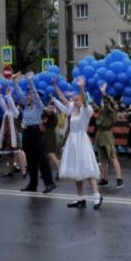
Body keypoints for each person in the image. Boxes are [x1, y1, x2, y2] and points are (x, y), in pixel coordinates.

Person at [52, 77, 103, 210]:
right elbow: (63, 98)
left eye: (77, 100)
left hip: (81, 140)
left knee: (87, 168)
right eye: (74, 100)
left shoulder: (87, 110)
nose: (74, 102)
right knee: (76, 169)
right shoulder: (72, 110)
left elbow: (85, 102)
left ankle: (97, 195)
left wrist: (82, 87)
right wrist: (55, 85)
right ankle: (80, 197)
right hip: (72, 141)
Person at [14, 72, 56, 194]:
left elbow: (36, 96)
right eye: (28, 94)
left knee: (42, 159)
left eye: (30, 94)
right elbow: (20, 94)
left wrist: (30, 81)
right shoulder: (26, 106)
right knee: (30, 160)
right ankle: (33, 184)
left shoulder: (39, 105)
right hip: (27, 133)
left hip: (36, 132)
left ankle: (50, 183)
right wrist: (15, 82)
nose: (28, 96)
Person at [95, 84, 124, 189]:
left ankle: (119, 179)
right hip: (100, 134)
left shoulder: (110, 111)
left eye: (104, 101)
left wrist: (104, 93)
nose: (102, 102)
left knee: (112, 157)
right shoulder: (101, 111)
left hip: (107, 134)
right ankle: (104, 179)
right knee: (102, 159)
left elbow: (107, 103)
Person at [0, 85, 26, 177]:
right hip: (7, 135)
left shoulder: (15, 111)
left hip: (14, 134)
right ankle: (10, 171)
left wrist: (9, 94)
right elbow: (1, 102)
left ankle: (24, 171)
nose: (8, 104)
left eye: (9, 102)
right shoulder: (6, 111)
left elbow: (11, 103)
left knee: (18, 151)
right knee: (10, 154)